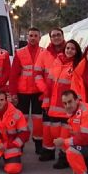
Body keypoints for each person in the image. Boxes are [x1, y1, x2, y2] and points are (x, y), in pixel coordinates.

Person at [42, 39, 83, 169]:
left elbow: (78, 87)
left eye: (72, 48)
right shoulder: (57, 62)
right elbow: (50, 83)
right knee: (54, 131)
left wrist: (76, 105)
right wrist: (46, 102)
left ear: (76, 51)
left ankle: (64, 157)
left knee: (66, 134)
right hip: (54, 105)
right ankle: (50, 152)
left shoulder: (78, 65)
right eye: (67, 48)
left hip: (67, 107)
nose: (69, 50)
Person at [10, 27, 44, 154]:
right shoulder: (20, 53)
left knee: (38, 120)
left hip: (39, 92)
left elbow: (47, 73)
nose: (33, 38)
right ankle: (20, 142)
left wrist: (46, 92)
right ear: (27, 37)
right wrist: (13, 93)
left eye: (35, 36)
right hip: (22, 91)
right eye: (31, 35)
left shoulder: (44, 52)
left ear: (40, 38)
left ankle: (38, 144)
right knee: (21, 119)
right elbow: (13, 75)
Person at [34, 27, 66, 160]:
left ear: (63, 36)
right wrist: (44, 89)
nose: (56, 38)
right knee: (47, 124)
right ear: (50, 38)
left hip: (66, 96)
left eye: (58, 35)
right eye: (53, 36)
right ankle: (48, 149)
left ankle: (64, 154)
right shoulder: (44, 54)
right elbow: (37, 73)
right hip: (48, 95)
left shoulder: (70, 51)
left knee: (65, 126)